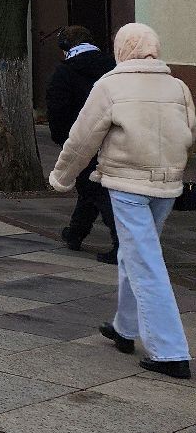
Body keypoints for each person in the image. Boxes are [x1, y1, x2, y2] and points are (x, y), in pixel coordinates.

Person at [49, 22, 194, 380]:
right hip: (167, 183)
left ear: (120, 49)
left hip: (127, 184)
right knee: (137, 252)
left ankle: (170, 351)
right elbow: (189, 133)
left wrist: (61, 177)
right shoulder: (177, 86)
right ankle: (125, 328)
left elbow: (82, 139)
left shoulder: (110, 86)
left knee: (146, 262)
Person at [48, 25, 119, 263]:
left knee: (96, 191)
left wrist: (63, 139)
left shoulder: (65, 72)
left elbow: (57, 110)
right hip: (113, 137)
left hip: (81, 139)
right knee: (89, 189)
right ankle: (75, 233)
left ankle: (121, 244)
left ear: (66, 47)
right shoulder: (113, 68)